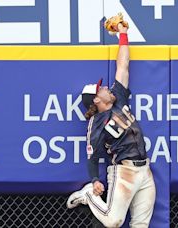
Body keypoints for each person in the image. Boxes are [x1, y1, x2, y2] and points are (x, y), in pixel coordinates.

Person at [66, 21, 156, 228]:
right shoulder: (96, 124)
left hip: (145, 169)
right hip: (124, 172)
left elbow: (123, 65)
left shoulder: (119, 97)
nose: (105, 87)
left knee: (141, 225)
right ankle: (88, 195)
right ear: (96, 100)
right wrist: (95, 180)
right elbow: (92, 156)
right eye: (100, 89)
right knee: (114, 221)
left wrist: (123, 35)